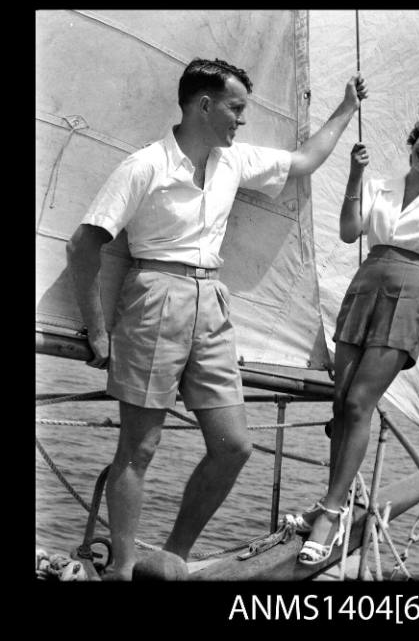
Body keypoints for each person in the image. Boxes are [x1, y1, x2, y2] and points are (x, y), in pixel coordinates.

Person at [66, 57, 368, 580]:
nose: (241, 120)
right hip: (154, 294)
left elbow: (303, 161)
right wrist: (97, 329)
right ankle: (121, 568)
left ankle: (173, 557)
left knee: (234, 446)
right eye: (235, 108)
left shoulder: (234, 161)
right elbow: (83, 244)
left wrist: (346, 108)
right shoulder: (146, 166)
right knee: (140, 447)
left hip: (212, 301)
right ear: (204, 104)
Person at [285, 113, 419, 566]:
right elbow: (349, 232)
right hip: (364, 287)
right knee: (341, 400)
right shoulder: (379, 184)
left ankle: (328, 514)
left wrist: (413, 294)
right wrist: (355, 173)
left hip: (407, 297)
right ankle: (336, 503)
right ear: (414, 139)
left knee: (359, 404)